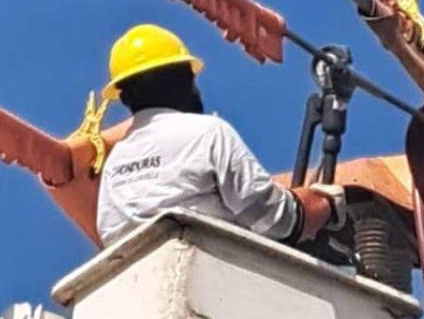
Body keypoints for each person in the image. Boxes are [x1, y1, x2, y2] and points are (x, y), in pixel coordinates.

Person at [96, 24, 343, 247]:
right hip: (212, 276)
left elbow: (110, 236)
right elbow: (274, 220)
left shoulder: (115, 161)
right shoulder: (207, 132)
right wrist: (324, 205)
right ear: (184, 78)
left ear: (125, 97)